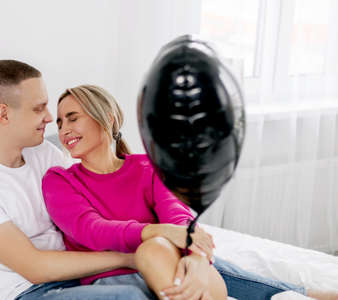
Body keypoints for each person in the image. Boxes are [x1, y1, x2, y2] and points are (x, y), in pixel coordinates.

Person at [42, 84, 335, 300]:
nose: (64, 129)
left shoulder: (147, 167)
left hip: (169, 260)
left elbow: (178, 215)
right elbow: (92, 230)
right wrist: (163, 232)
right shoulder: (59, 180)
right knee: (155, 247)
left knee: (259, 284)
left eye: (72, 117)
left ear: (106, 118)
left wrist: (194, 255)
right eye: (59, 122)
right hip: (116, 281)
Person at [0, 60, 149, 300]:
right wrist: (129, 259)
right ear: (4, 114)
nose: (49, 118)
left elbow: (92, 209)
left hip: (78, 277)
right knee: (129, 295)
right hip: (27, 292)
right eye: (39, 108)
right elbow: (35, 268)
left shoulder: (43, 153)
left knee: (161, 281)